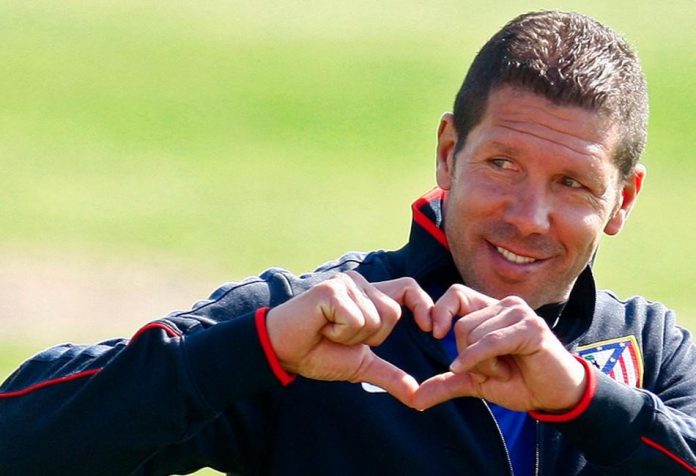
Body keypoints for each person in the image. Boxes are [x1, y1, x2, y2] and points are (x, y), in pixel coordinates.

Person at [1, 10, 695, 476]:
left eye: (573, 183)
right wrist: (257, 349)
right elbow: (20, 440)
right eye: (502, 164)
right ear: (448, 154)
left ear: (622, 201)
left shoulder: (650, 352)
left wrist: (583, 400)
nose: (529, 216)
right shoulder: (307, 325)